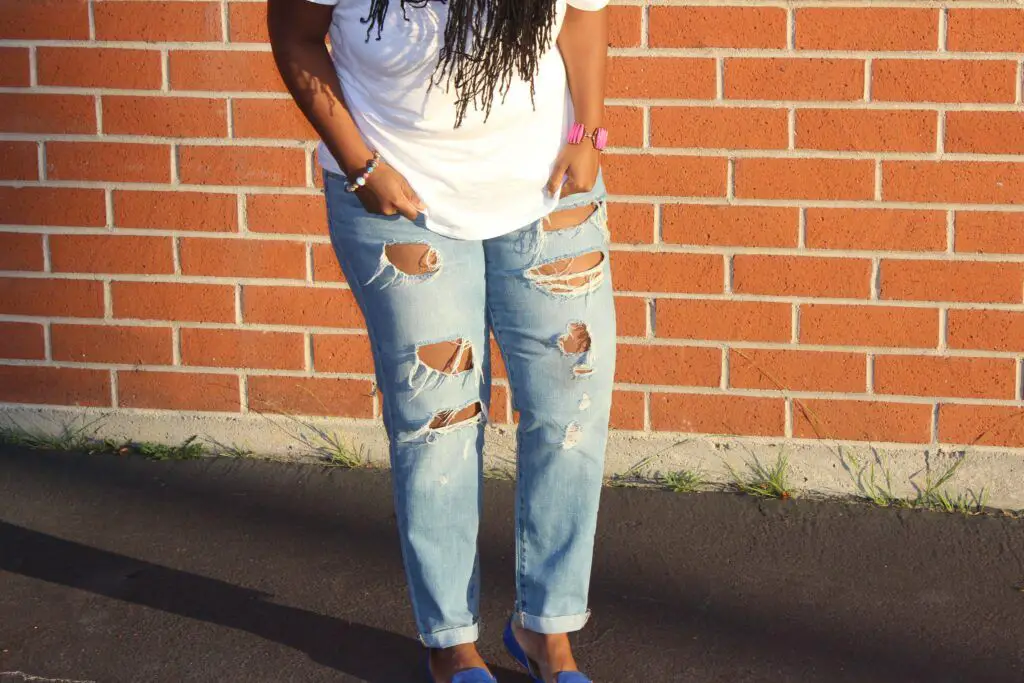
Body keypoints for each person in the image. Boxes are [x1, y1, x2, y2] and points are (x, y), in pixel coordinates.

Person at [268, 1, 612, 681]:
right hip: (399, 198)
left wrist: (588, 132)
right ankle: (451, 641)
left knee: (572, 404)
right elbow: (295, 37)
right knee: (439, 421)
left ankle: (547, 630)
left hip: (546, 187)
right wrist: (360, 166)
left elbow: (580, 15)